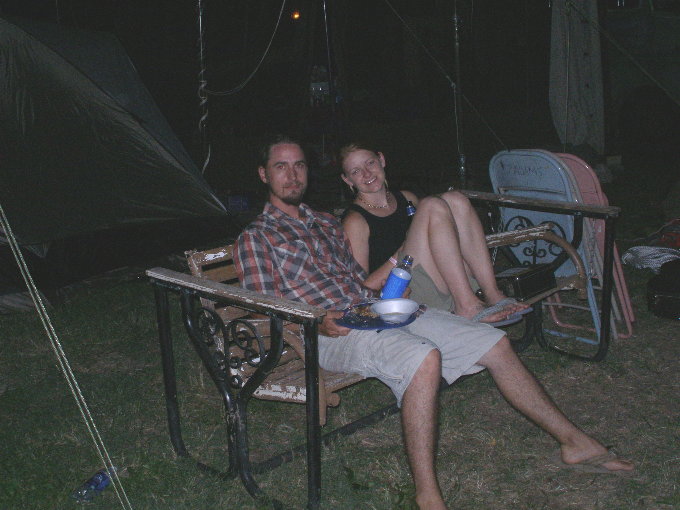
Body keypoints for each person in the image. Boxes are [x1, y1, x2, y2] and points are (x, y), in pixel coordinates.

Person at [234, 135, 633, 510]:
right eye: (281, 166)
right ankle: (427, 497)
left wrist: (389, 293)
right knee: (423, 358)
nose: (292, 174)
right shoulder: (257, 237)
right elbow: (263, 306)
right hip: (327, 331)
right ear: (264, 174)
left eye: (299, 165)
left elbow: (355, 281)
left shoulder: (324, 223)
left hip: (374, 310)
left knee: (493, 342)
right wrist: (318, 320)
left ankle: (574, 442)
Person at [340, 142, 529, 324]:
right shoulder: (355, 221)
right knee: (431, 205)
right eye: (356, 171)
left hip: (440, 275)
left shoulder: (406, 198)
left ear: (381, 159)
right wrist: (401, 255)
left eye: (370, 163)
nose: (366, 173)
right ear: (347, 180)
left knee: (456, 199)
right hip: (402, 292)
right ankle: (466, 306)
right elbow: (361, 290)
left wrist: (411, 247)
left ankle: (492, 293)